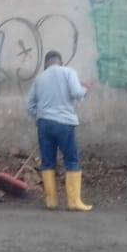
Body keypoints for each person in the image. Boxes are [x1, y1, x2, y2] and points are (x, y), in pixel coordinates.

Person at [25, 51, 92, 211]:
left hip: (44, 124)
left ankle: (51, 201)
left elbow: (29, 106)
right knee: (71, 160)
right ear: (60, 62)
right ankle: (74, 202)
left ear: (46, 64)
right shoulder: (68, 72)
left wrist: (40, 117)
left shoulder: (39, 78)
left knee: (47, 161)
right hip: (64, 123)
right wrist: (85, 89)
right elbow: (76, 93)